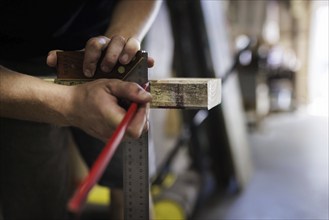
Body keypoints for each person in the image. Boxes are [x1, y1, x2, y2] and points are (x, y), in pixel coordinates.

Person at [0, 0, 161, 219]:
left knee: (132, 189)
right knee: (38, 204)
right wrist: (70, 104)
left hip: (109, 43)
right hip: (13, 62)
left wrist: (121, 35)